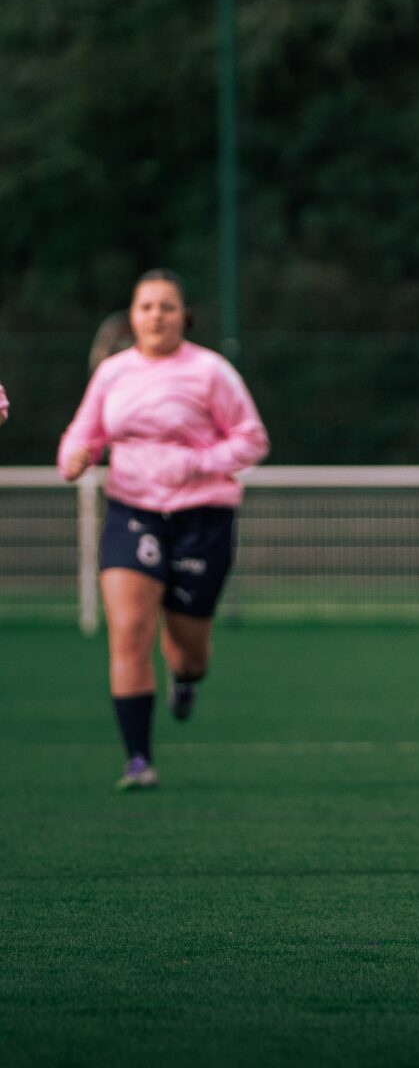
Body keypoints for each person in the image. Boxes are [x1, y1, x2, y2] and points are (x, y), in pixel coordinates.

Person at [57, 269, 270, 790]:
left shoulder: (210, 371)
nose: (156, 315)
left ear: (183, 317)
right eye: (147, 306)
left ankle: (185, 678)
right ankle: (138, 760)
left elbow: (252, 439)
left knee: (188, 651)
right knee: (130, 630)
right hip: (133, 510)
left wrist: (195, 463)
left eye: (167, 306)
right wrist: (76, 458)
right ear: (132, 317)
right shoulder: (113, 373)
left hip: (202, 518)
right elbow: (81, 436)